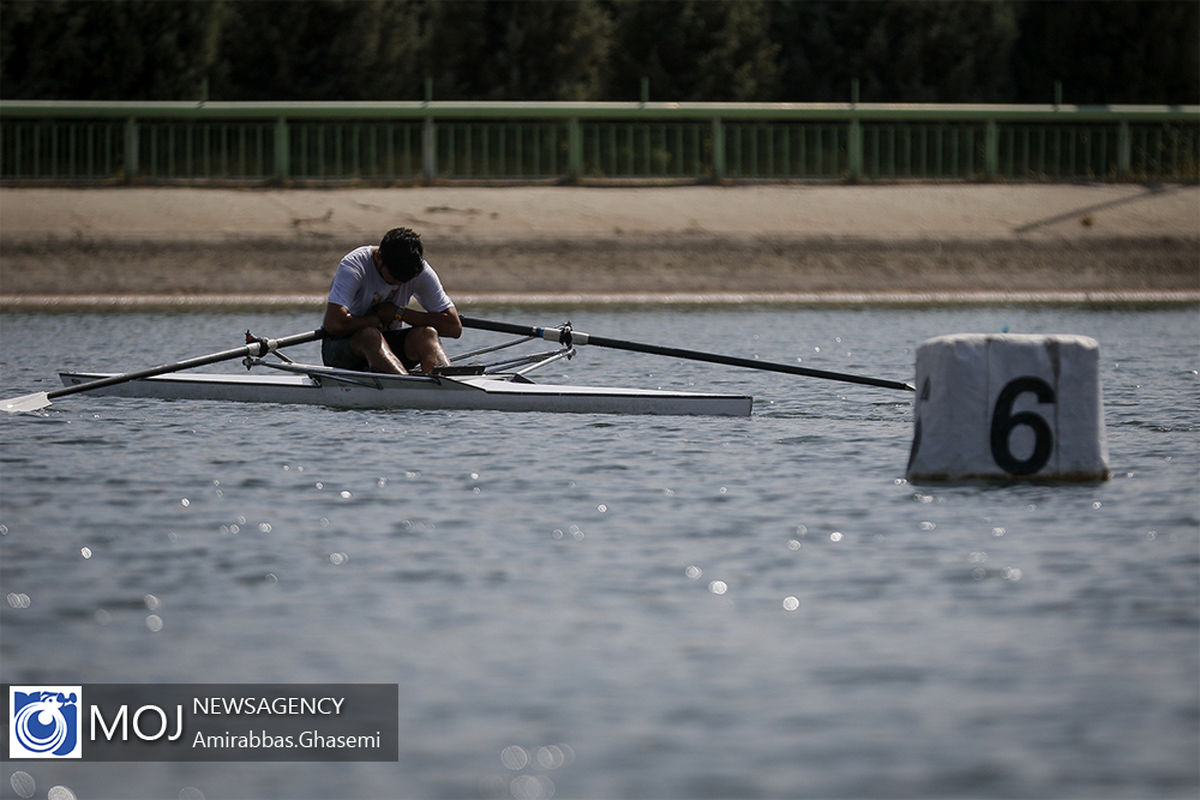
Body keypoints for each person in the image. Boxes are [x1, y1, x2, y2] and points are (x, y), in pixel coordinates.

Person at [322, 227, 462, 374]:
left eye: (404, 280)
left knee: (427, 334)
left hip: (387, 345)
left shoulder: (417, 269)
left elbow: (453, 327)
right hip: (341, 347)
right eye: (394, 278)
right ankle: (406, 386)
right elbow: (333, 323)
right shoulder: (354, 265)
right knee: (370, 335)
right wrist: (373, 321)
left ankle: (448, 385)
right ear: (378, 258)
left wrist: (399, 313)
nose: (399, 285)